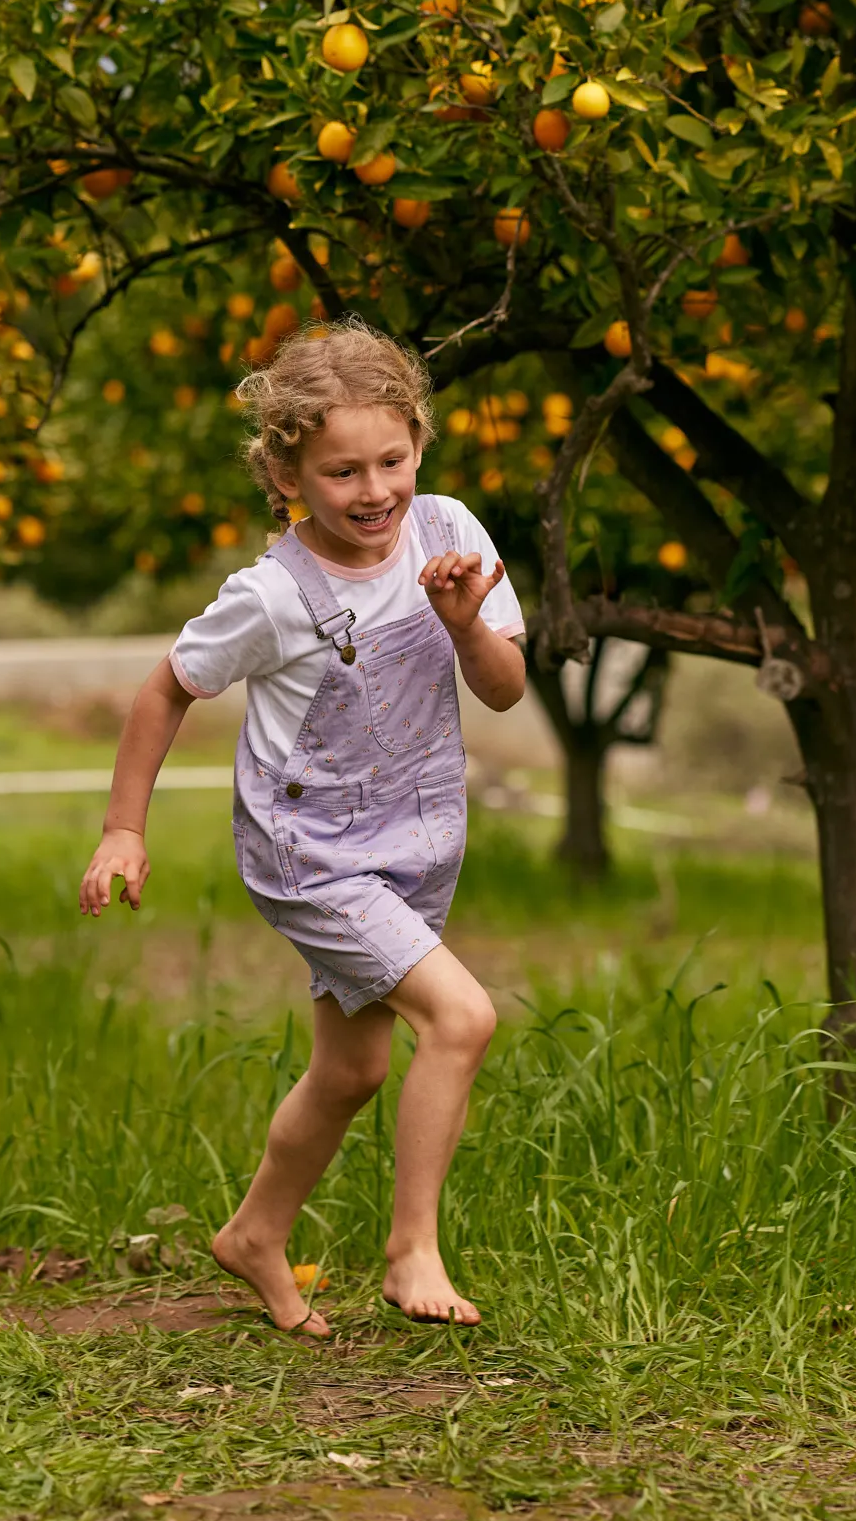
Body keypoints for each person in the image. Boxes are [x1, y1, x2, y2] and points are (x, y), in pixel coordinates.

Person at [79, 322, 527, 1333]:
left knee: (352, 1069)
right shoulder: (271, 594)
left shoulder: (449, 531)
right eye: (339, 471)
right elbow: (164, 689)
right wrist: (122, 828)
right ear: (285, 473)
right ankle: (411, 1245)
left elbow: (502, 690)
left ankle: (252, 1232)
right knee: (460, 1018)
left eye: (390, 461)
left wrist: (462, 624)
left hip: (416, 842)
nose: (372, 491)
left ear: (418, 442)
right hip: (314, 854)